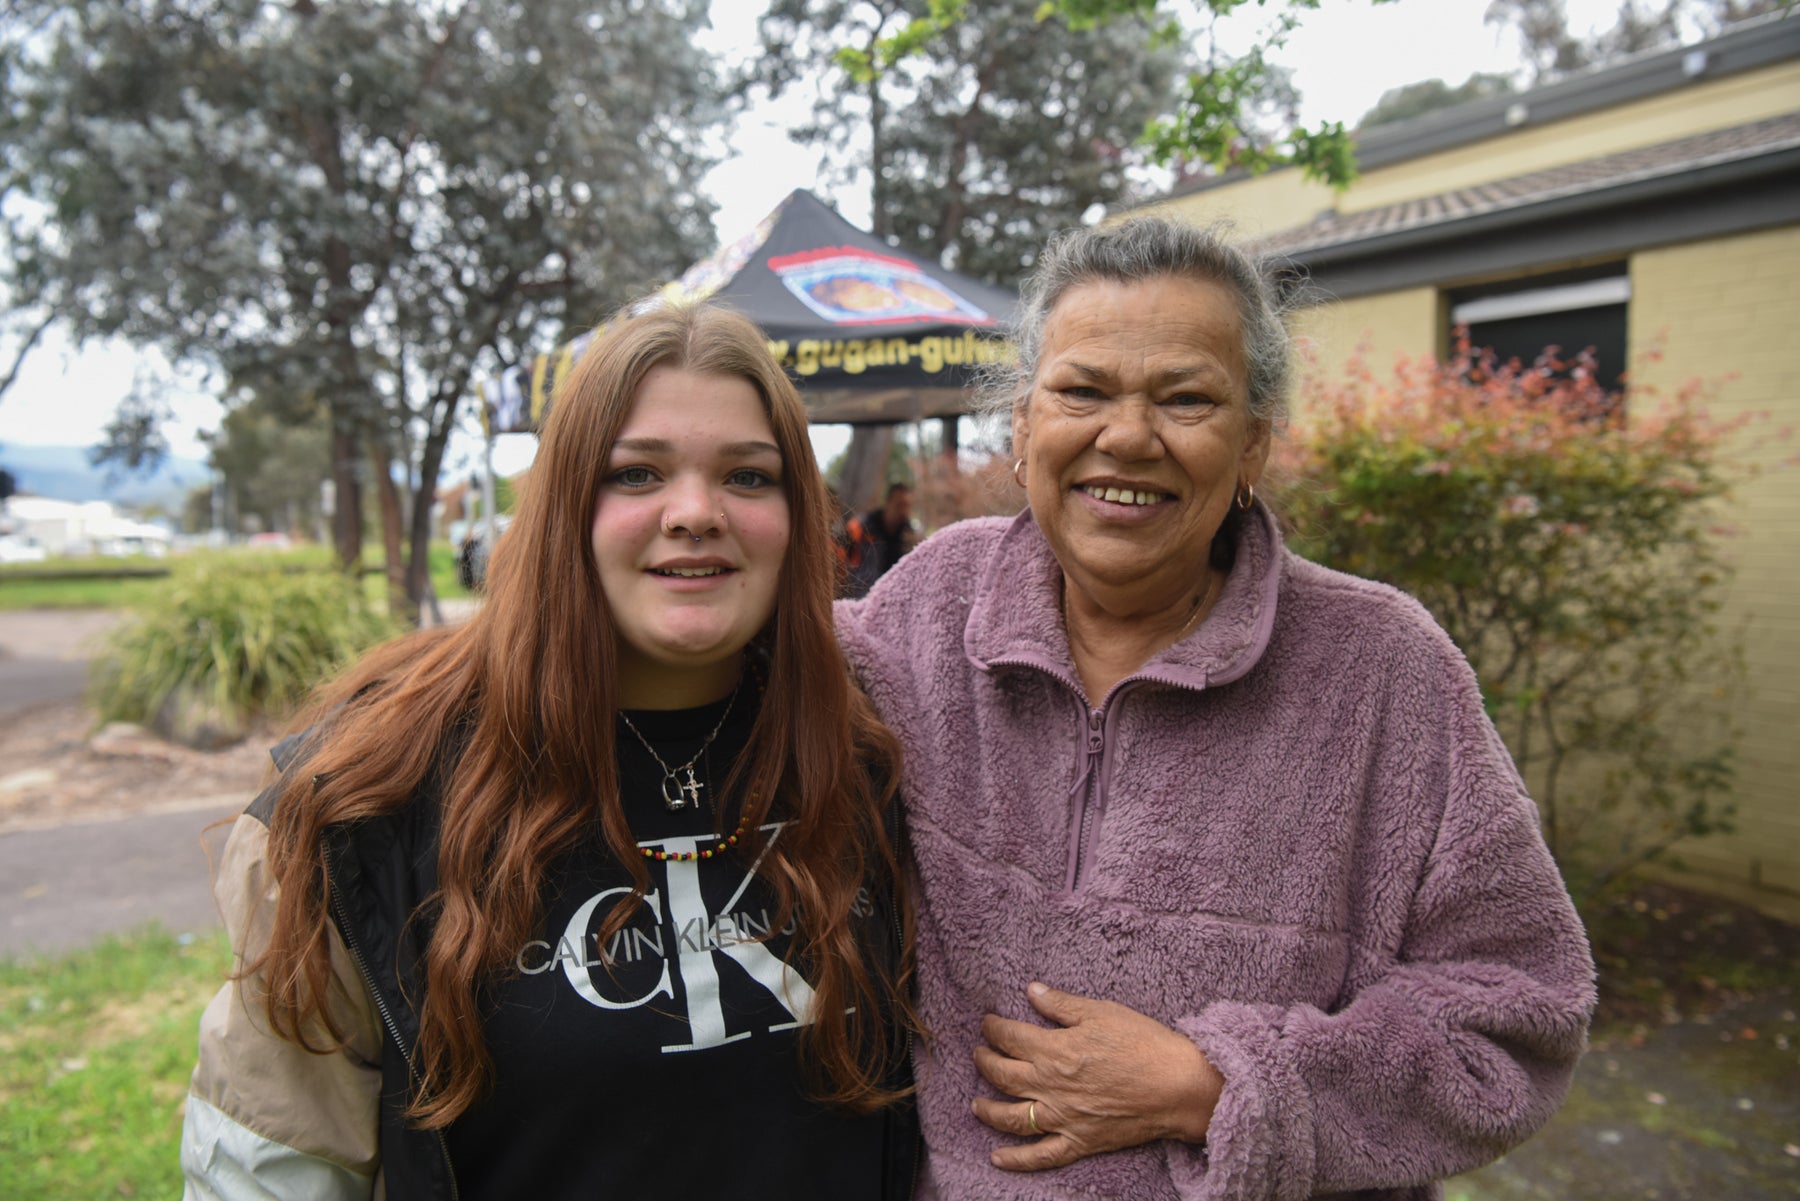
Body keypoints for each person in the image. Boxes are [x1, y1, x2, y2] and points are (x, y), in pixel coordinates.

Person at [833, 218, 1595, 1199]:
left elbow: (1517, 1014)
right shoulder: (930, 610)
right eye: (1084, 390)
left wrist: (1222, 1087)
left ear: (1251, 446)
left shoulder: (1384, 674)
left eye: (1186, 398)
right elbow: (743, 713)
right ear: (1023, 427)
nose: (1128, 435)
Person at [182, 304, 918, 1200]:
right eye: (638, 472)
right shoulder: (372, 792)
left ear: (798, 513)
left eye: (748, 476)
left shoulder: (878, 751)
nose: (696, 512)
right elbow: (271, 1168)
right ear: (565, 503)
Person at [845, 482, 919, 597]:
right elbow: (841, 560)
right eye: (900, 505)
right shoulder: (861, 528)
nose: (904, 511)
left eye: (907, 506)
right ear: (888, 503)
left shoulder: (910, 538)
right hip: (859, 601)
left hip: (893, 601)